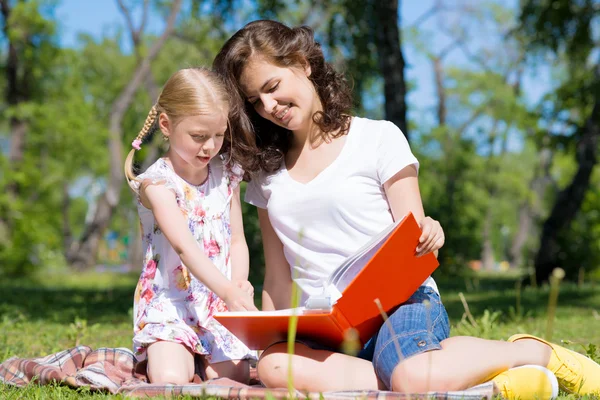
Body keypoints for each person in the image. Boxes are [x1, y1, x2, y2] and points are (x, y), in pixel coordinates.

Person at [212, 20, 600, 399]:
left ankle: (530, 353)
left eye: (272, 87)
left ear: (302, 63)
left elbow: (416, 242)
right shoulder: (268, 175)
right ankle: (451, 382)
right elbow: (278, 278)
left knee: (410, 375)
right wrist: (270, 340)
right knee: (273, 367)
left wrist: (431, 232)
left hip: (399, 307)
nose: (268, 106)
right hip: (324, 325)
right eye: (254, 101)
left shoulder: (378, 138)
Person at [124, 67, 258, 385]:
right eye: (199, 136)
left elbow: (237, 239)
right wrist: (225, 288)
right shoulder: (157, 184)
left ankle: (203, 361)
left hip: (217, 303)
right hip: (170, 302)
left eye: (219, 135)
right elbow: (185, 248)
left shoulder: (226, 175)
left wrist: (237, 283)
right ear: (167, 126)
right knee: (170, 379)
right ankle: (175, 354)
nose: (210, 146)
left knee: (233, 380)